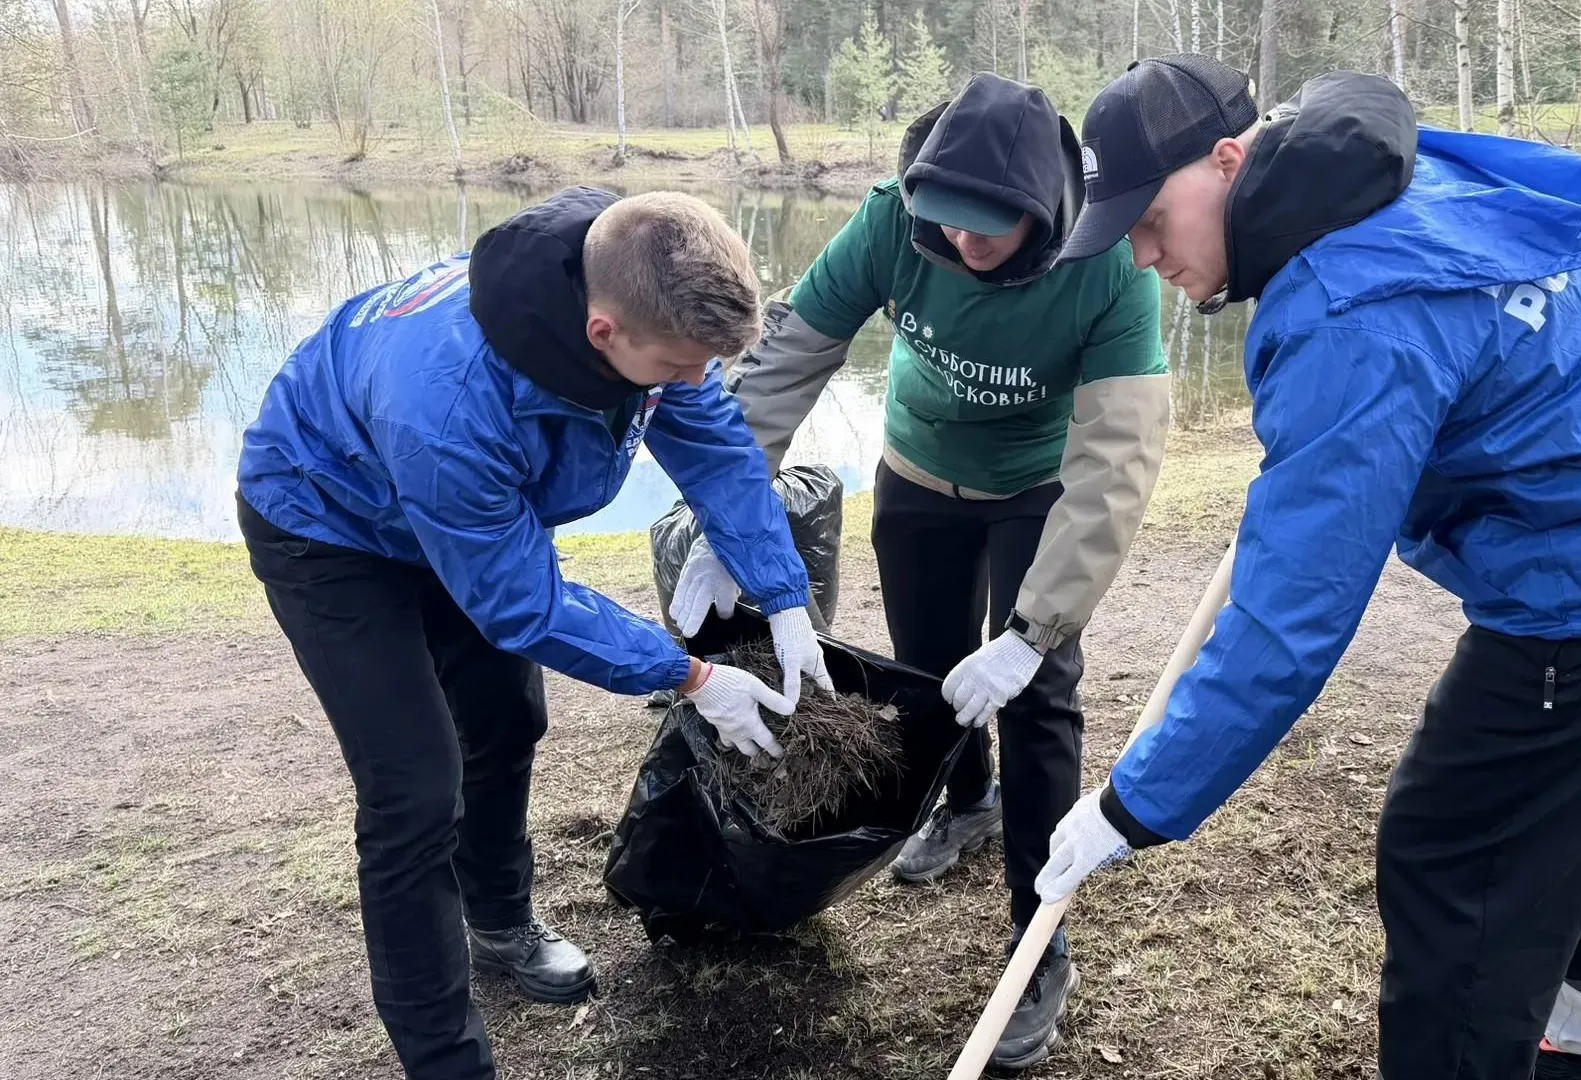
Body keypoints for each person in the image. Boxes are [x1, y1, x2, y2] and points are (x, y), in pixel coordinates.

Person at [1035, 57, 1581, 1080]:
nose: (1146, 256)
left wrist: (1134, 802)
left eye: (1154, 220)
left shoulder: (1345, 304)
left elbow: (1293, 619)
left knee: (1455, 851)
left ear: (1230, 160)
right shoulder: (1375, 178)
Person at [235, 187, 833, 1080]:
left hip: (466, 513)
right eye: (677, 366)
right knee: (414, 793)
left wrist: (782, 594)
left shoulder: (651, 297)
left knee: (508, 720)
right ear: (601, 333)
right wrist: (692, 678)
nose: (690, 380)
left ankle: (499, 923)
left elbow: (714, 448)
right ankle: (447, 1062)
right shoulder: (450, 403)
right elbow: (519, 602)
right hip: (329, 524)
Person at [672, 72, 1171, 1069]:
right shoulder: (890, 222)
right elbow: (788, 358)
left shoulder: (1113, 266)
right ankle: (969, 799)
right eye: (945, 220)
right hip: (918, 467)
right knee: (931, 665)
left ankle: (1037, 943)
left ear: (1045, 211)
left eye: (989, 227)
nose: (962, 242)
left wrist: (1033, 632)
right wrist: (728, 518)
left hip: (1040, 482)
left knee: (1037, 696)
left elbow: (1117, 463)